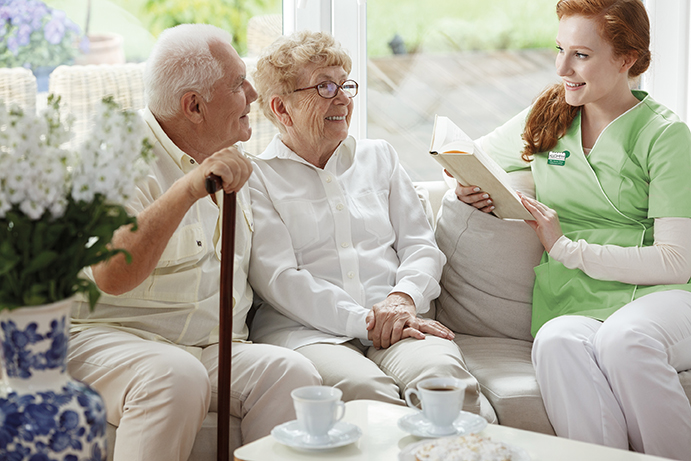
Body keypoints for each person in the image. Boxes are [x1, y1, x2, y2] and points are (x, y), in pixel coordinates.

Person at [67, 24, 321, 461]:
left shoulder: (231, 159)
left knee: (291, 374)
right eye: (238, 84)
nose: (253, 95)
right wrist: (187, 188)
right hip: (101, 337)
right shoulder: (113, 154)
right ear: (194, 106)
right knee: (175, 376)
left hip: (206, 348)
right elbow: (111, 274)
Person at [453, 0, 691, 459]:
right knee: (556, 341)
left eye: (580, 54)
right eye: (560, 49)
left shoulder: (665, 136)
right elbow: (465, 155)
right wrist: (469, 186)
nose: (562, 67)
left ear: (626, 59)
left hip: (662, 295)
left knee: (625, 340)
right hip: (577, 298)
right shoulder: (549, 115)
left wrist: (565, 247)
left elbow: (676, 262)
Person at [247, 30, 488, 417]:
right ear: (281, 108)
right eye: (325, 87)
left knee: (445, 380)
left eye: (346, 85)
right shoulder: (256, 177)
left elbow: (420, 246)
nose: (343, 98)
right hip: (310, 335)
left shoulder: (380, 157)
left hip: (401, 319)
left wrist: (403, 299)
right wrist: (368, 321)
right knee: (364, 391)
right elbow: (280, 280)